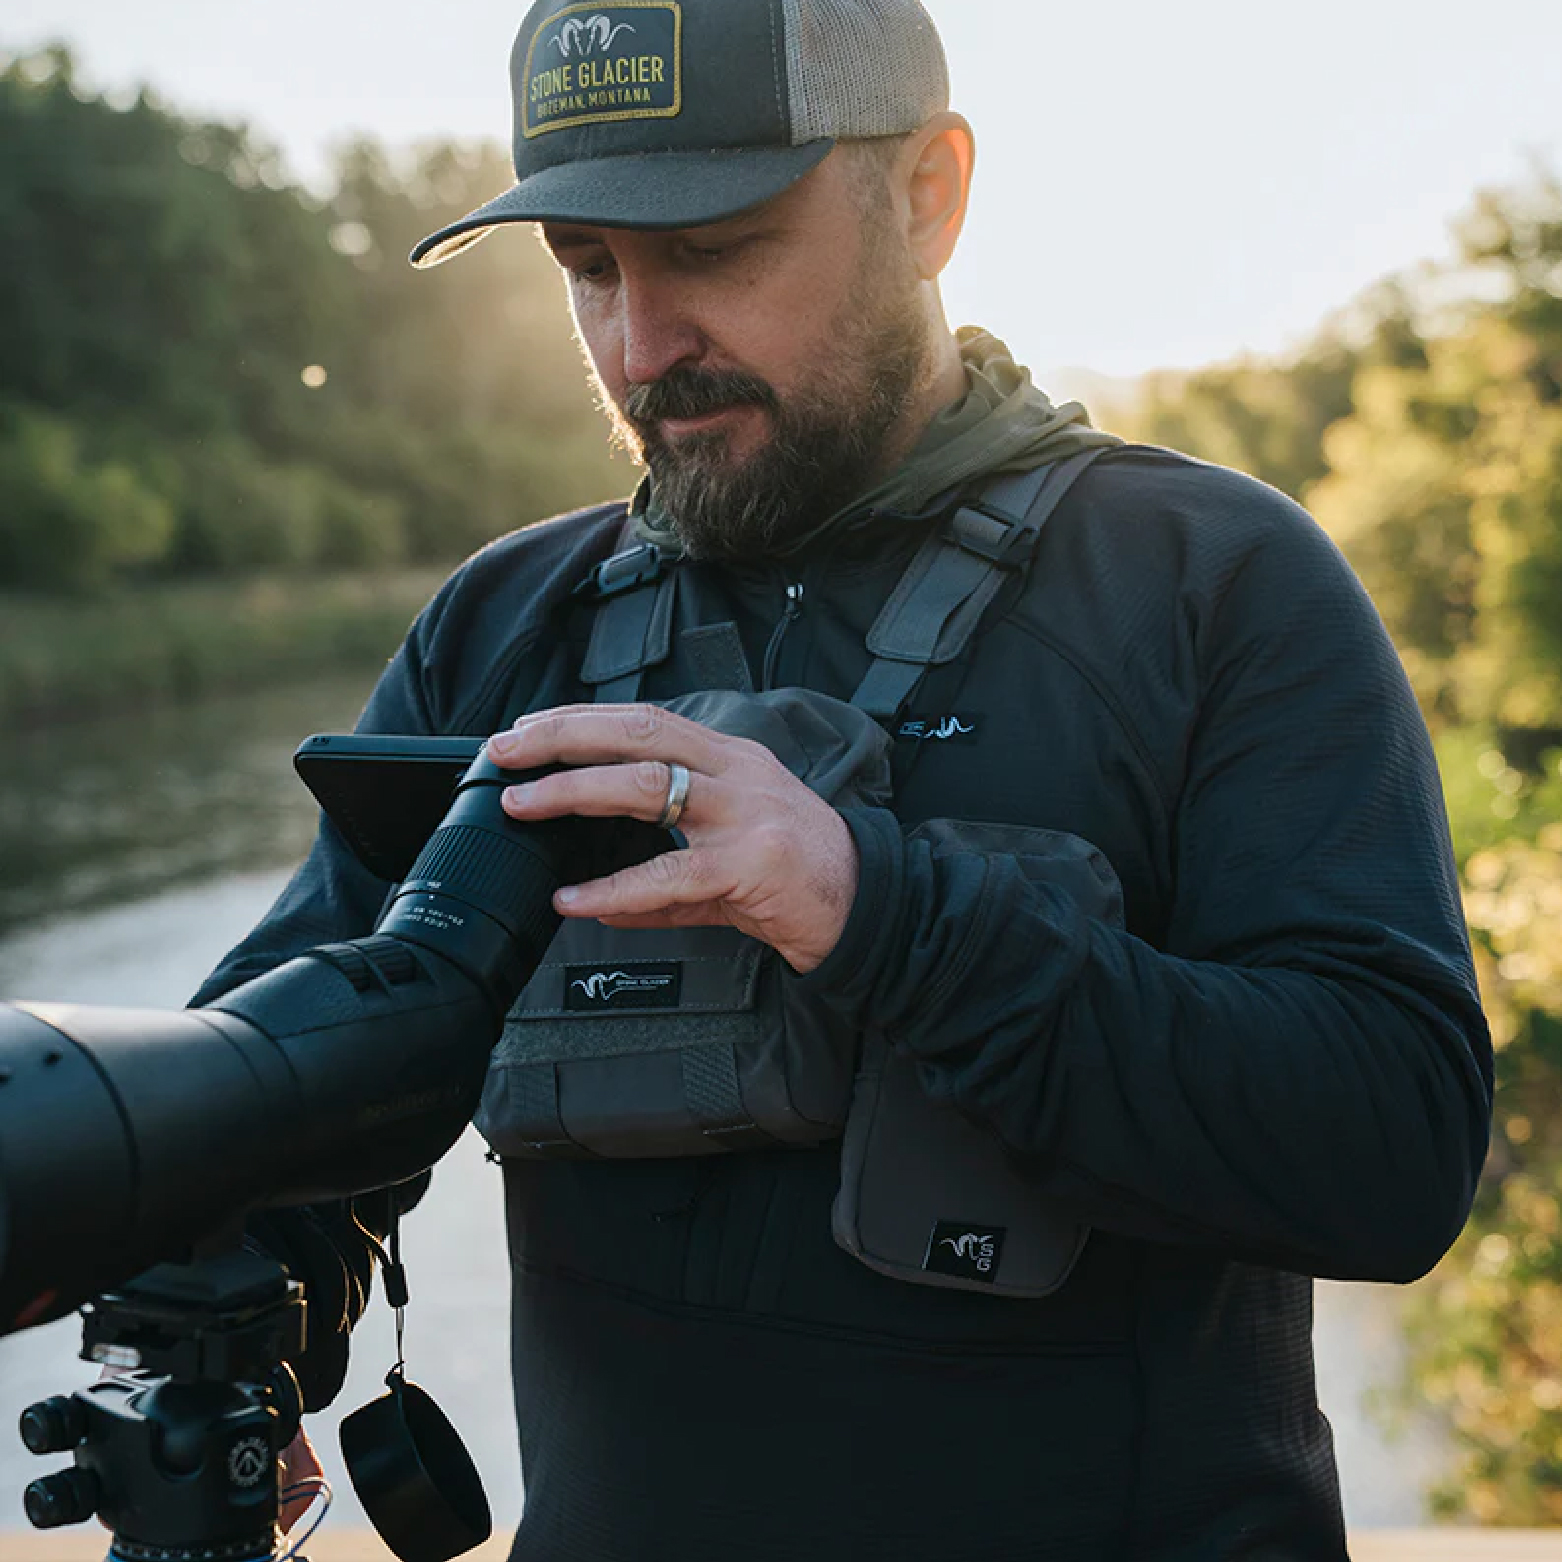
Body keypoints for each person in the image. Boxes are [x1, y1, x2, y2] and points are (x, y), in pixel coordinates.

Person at [193, 1, 1493, 1556]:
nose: (639, 345)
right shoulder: (502, 625)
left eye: (719, 247)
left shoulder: (1216, 579)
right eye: (590, 269)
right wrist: (236, 1313)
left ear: (929, 196)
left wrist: (872, 907)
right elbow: (282, 1093)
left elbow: (1392, 1150)